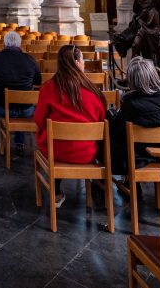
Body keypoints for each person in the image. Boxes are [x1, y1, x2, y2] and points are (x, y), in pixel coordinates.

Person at [34, 44, 106, 206]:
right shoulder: (93, 91)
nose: (84, 63)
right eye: (82, 60)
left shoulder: (49, 88)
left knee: (56, 142)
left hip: (56, 152)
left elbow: (39, 120)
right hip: (86, 152)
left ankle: (56, 191)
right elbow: (102, 119)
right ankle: (99, 187)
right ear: (76, 62)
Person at [108, 56, 160, 177]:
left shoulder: (131, 106)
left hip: (137, 160)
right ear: (154, 77)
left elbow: (116, 134)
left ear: (132, 80)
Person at [0, 31, 41, 154]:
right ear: (19, 44)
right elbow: (38, 81)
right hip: (27, 109)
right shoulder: (30, 60)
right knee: (20, 103)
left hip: (3, 108)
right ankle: (19, 143)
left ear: (4, 44)